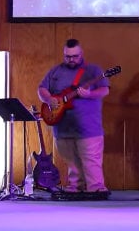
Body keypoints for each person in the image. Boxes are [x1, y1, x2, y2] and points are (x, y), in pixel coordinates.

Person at [37, 39, 110, 194]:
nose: (71, 60)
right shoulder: (55, 71)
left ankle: (96, 190)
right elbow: (42, 89)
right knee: (71, 162)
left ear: (81, 54)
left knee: (91, 161)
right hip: (62, 127)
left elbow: (104, 90)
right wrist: (49, 99)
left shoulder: (93, 71)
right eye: (68, 56)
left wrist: (89, 94)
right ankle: (75, 188)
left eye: (75, 56)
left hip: (88, 127)